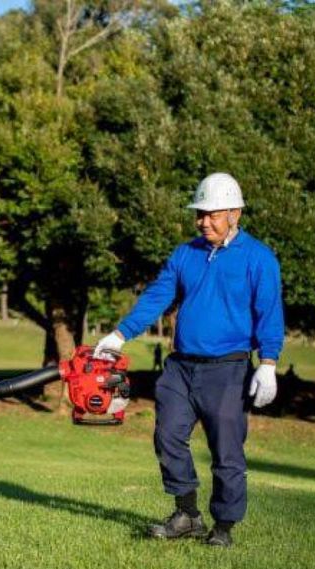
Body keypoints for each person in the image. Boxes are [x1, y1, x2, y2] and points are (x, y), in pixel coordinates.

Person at [94, 173, 284, 548]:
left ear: (234, 213)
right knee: (167, 436)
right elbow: (157, 296)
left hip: (228, 369)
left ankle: (223, 526)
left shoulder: (259, 258)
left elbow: (269, 313)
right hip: (180, 367)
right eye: (200, 213)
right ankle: (187, 515)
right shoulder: (185, 254)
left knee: (226, 451)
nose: (203, 221)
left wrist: (268, 363)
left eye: (212, 214)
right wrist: (120, 334)